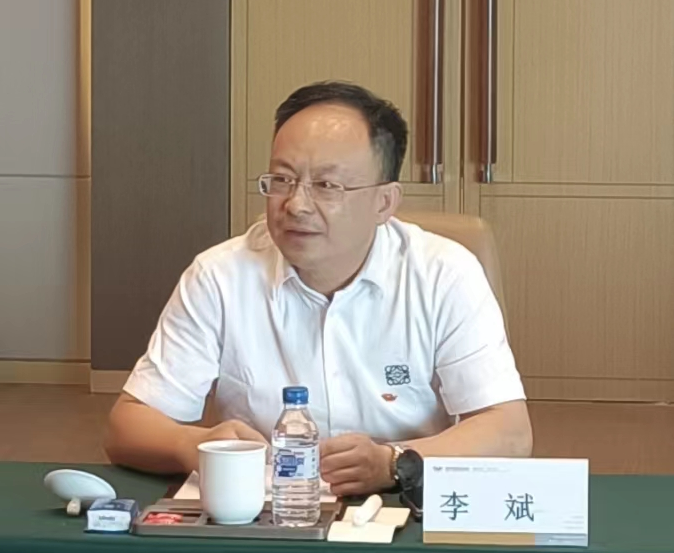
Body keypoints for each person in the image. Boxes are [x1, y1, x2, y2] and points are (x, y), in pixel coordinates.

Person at [105, 81, 532, 496]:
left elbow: (509, 431)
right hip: (269, 511)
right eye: (282, 180)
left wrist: (393, 461)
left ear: (384, 202)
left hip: (402, 502)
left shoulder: (444, 274)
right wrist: (194, 444)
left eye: (327, 186)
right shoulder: (219, 276)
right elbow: (127, 426)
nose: (296, 205)